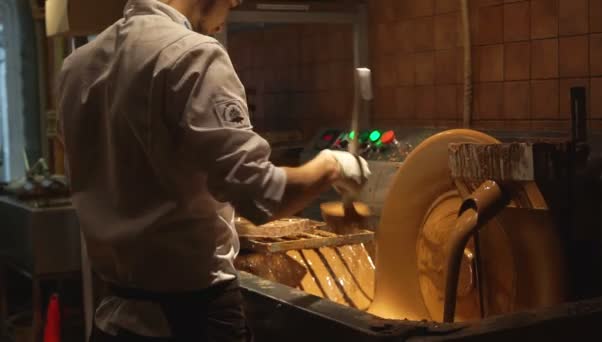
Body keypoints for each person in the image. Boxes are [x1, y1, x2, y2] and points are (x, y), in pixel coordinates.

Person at [57, 0, 370, 341]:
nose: (232, 6)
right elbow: (262, 196)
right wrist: (333, 165)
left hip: (112, 317)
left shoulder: (76, 67)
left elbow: (136, 181)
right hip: (192, 319)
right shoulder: (194, 55)